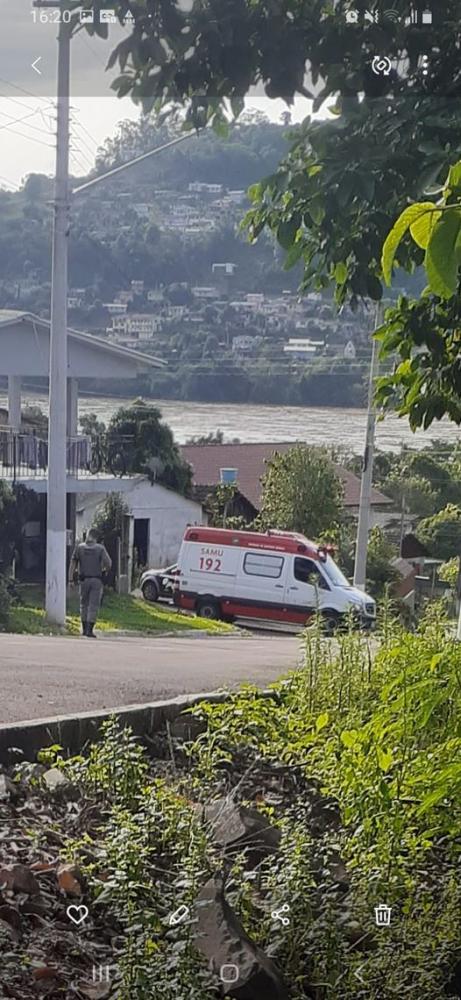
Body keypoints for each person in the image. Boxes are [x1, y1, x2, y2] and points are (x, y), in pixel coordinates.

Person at [68, 529, 112, 638]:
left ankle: (83, 628)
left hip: (83, 580)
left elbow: (73, 563)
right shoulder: (100, 549)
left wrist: (70, 580)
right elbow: (109, 563)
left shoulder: (79, 547)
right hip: (96, 580)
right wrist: (104, 570)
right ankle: (90, 630)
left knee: (83, 604)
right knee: (93, 605)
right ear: (96, 538)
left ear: (87, 536)